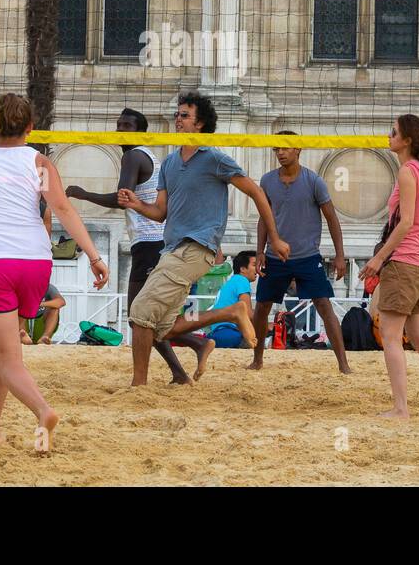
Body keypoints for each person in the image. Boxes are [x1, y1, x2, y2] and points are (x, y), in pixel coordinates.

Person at [0, 94, 108, 449]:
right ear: (30, 127)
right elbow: (64, 210)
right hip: (35, 264)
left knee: (8, 357)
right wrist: (94, 257)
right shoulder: (39, 162)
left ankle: (43, 411)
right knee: (5, 353)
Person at [119, 91, 286, 387]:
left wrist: (274, 238)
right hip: (172, 248)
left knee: (140, 312)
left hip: (197, 247)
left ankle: (138, 385)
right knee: (163, 326)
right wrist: (136, 204)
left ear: (200, 124)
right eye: (177, 114)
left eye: (185, 115)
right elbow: (160, 213)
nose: (178, 120)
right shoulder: (170, 162)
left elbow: (257, 192)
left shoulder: (214, 159)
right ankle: (231, 312)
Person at [68, 108, 213, 383]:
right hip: (153, 243)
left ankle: (195, 345)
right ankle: (181, 370)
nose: (121, 130)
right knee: (144, 317)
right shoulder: (148, 155)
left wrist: (83, 194)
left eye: (128, 125)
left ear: (140, 131)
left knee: (139, 316)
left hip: (150, 244)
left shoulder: (134, 155)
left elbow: (123, 198)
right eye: (119, 124)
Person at [358, 113, 419, 417]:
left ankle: (401, 408)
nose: (389, 137)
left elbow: (407, 223)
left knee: (390, 337)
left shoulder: (407, 173)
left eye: (393, 132)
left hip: (405, 263)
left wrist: (378, 257)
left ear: (407, 140)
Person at [249, 133, 351, 374]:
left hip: (307, 256)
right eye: (276, 149)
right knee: (262, 306)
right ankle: (257, 359)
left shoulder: (313, 181)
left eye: (285, 148)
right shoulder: (268, 180)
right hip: (275, 257)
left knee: (324, 306)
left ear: (298, 149)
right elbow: (264, 219)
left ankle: (343, 364)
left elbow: (332, 218)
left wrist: (339, 256)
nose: (280, 153)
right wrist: (260, 250)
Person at [205, 251, 258, 349]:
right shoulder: (242, 280)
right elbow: (249, 314)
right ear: (242, 269)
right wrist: (266, 325)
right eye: (255, 265)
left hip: (218, 331)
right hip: (229, 332)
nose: (259, 268)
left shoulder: (233, 281)